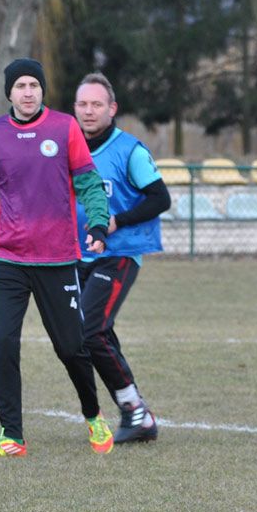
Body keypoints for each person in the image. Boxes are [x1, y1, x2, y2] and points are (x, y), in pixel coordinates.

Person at [0, 58, 115, 457]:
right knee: (5, 343)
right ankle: (12, 436)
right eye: (21, 86)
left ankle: (93, 415)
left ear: (42, 90)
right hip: (8, 259)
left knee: (70, 347)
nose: (28, 92)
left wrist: (98, 225)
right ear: (9, 93)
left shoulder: (65, 128)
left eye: (34, 85)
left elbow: (90, 185)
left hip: (57, 258)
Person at [72, 72, 170, 444]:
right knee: (93, 332)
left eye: (97, 104)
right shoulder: (68, 148)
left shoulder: (130, 150)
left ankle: (136, 411)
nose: (89, 111)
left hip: (120, 253)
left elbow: (160, 198)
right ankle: (136, 411)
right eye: (83, 104)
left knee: (90, 329)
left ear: (112, 109)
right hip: (79, 254)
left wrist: (118, 221)